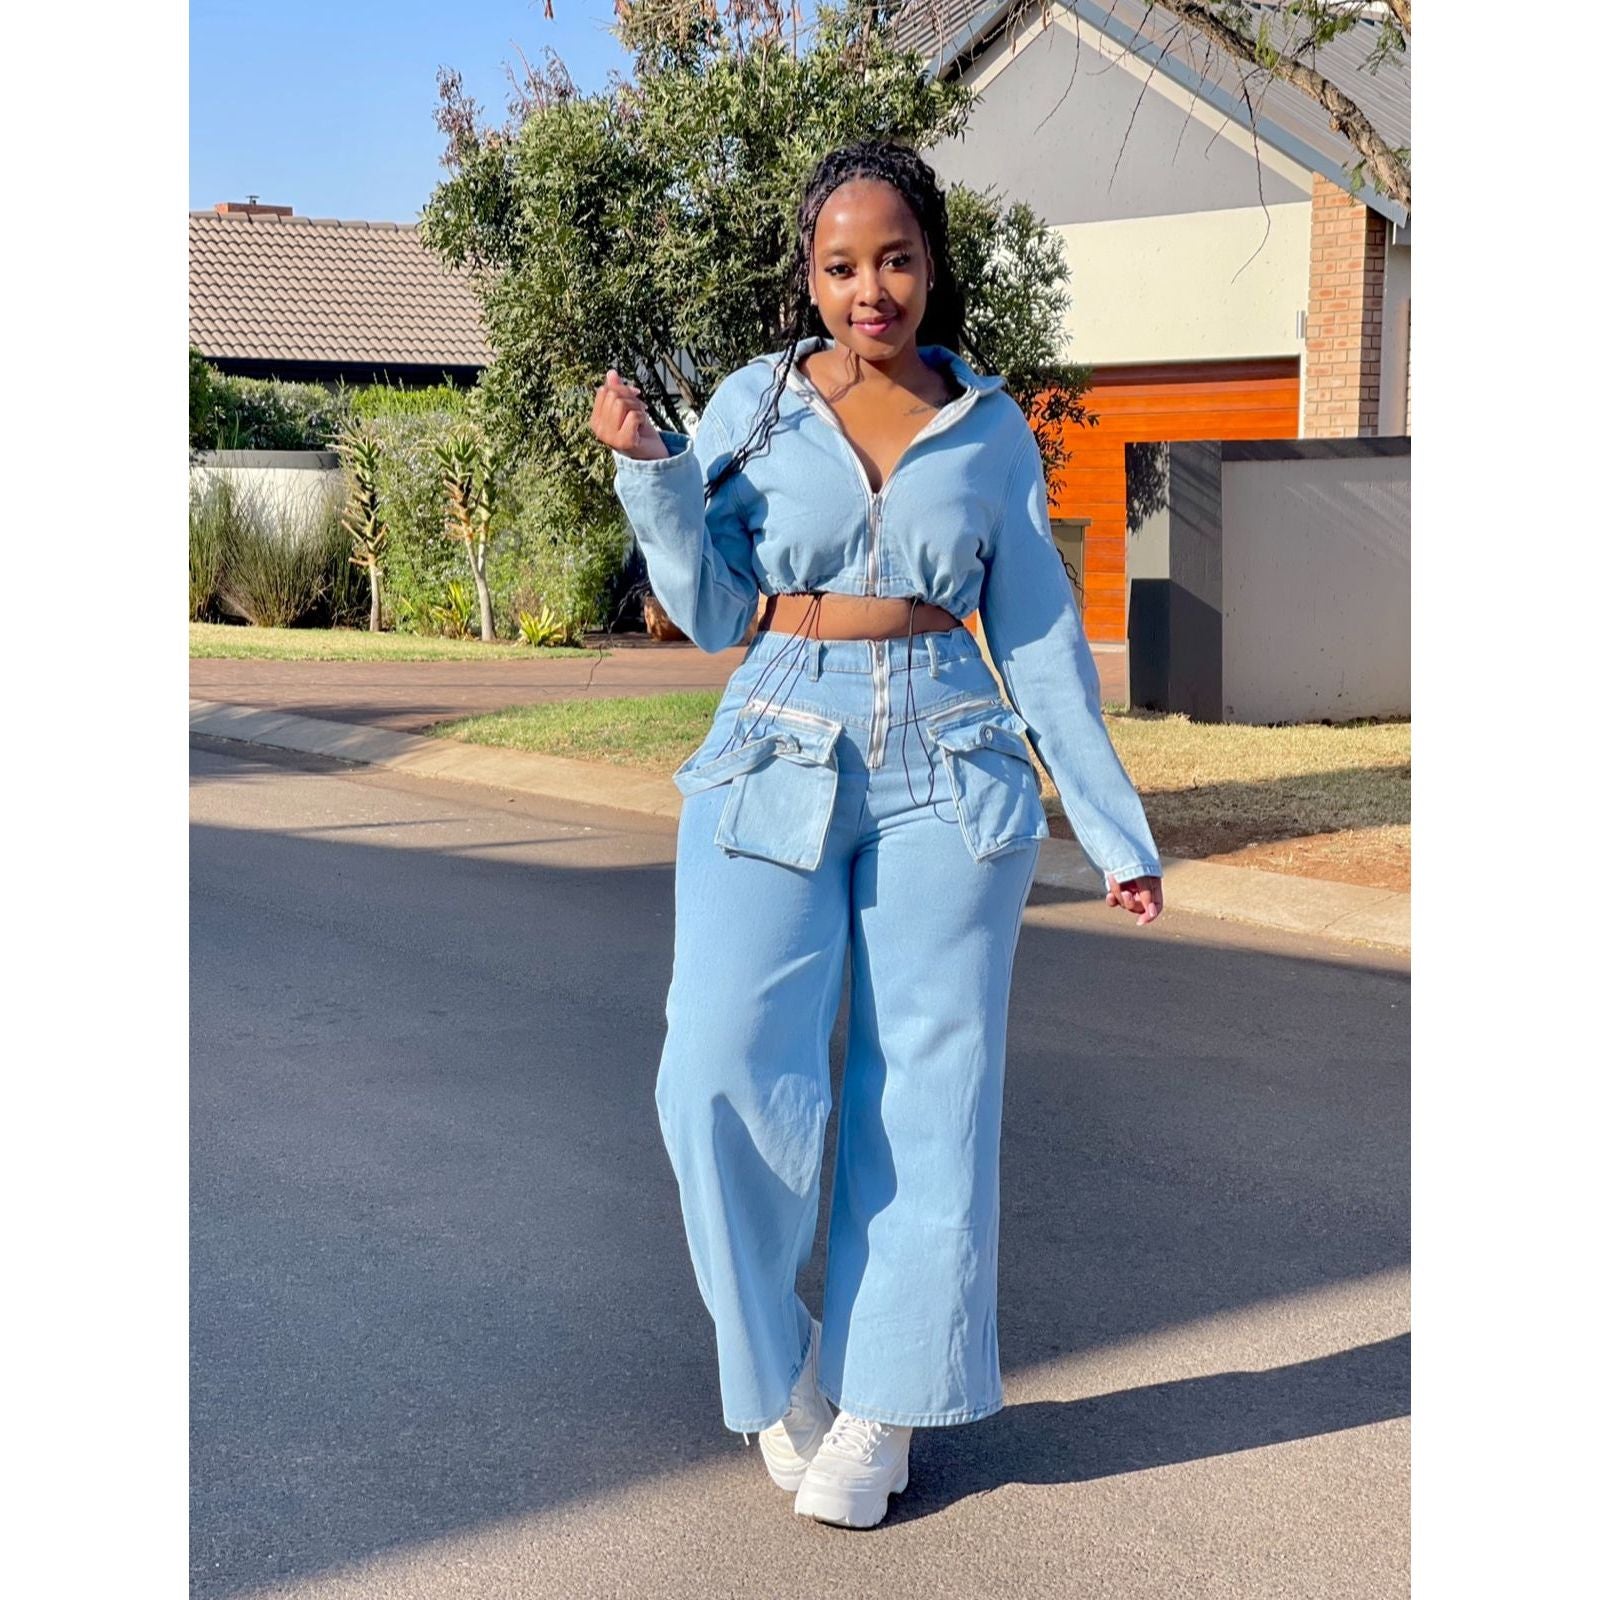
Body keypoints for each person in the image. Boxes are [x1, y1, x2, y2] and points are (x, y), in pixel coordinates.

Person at [589, 139, 1163, 1530]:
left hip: (952, 757)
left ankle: (883, 1400)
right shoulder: (756, 404)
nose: (871, 289)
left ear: (929, 263)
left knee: (929, 1084)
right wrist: (653, 473)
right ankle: (777, 1366)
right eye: (842, 265)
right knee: (716, 1062)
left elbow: (1038, 633)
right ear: (811, 277)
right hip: (776, 731)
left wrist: (1112, 824)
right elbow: (711, 610)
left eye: (894, 259)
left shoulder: (989, 429)